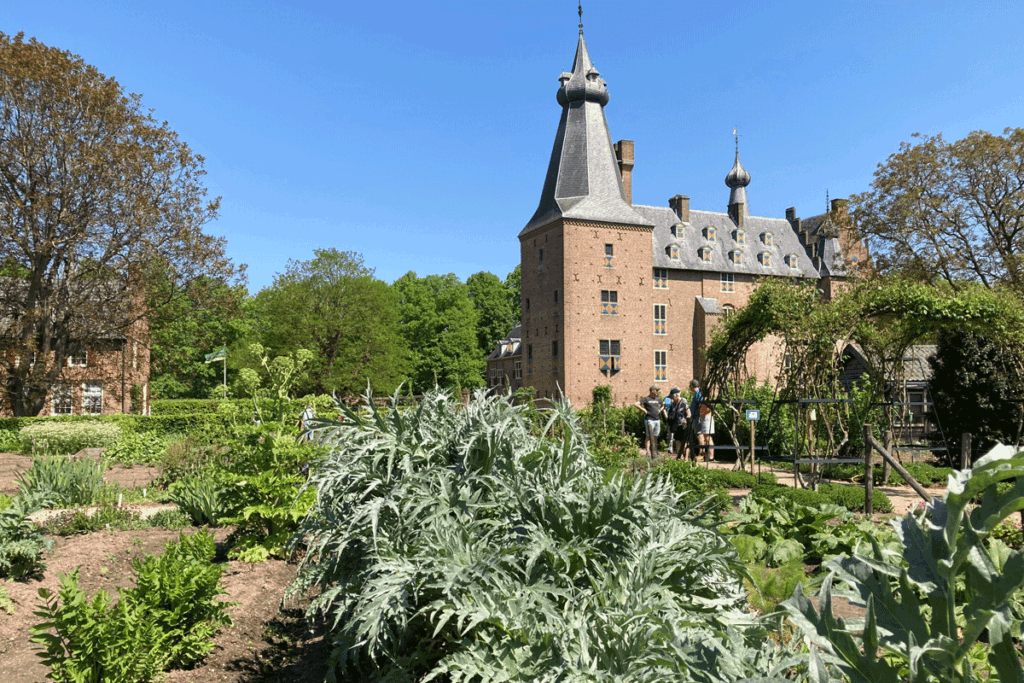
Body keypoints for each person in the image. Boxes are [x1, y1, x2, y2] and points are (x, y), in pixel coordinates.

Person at [634, 385, 666, 458]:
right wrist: (644, 410)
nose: (658, 392)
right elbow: (636, 404)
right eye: (656, 390)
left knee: (655, 436)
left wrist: (660, 410)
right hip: (649, 420)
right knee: (648, 436)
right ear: (653, 391)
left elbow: (663, 405)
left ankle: (654, 451)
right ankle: (647, 451)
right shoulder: (646, 399)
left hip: (657, 420)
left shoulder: (658, 399)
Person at [688, 379, 714, 462]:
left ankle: (708, 456)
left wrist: (700, 414)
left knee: (705, 437)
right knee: (702, 436)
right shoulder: (697, 394)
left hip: (701, 418)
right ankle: (703, 454)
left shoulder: (698, 394)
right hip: (698, 417)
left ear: (692, 386)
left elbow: (702, 403)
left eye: (690, 386)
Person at [666, 387, 690, 458]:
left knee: (685, 442)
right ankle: (680, 457)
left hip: (683, 425)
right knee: (677, 441)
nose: (672, 398)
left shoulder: (683, 401)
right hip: (676, 425)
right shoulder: (673, 403)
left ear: (676, 395)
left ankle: (686, 457)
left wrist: (686, 420)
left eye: (672, 396)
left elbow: (688, 413)